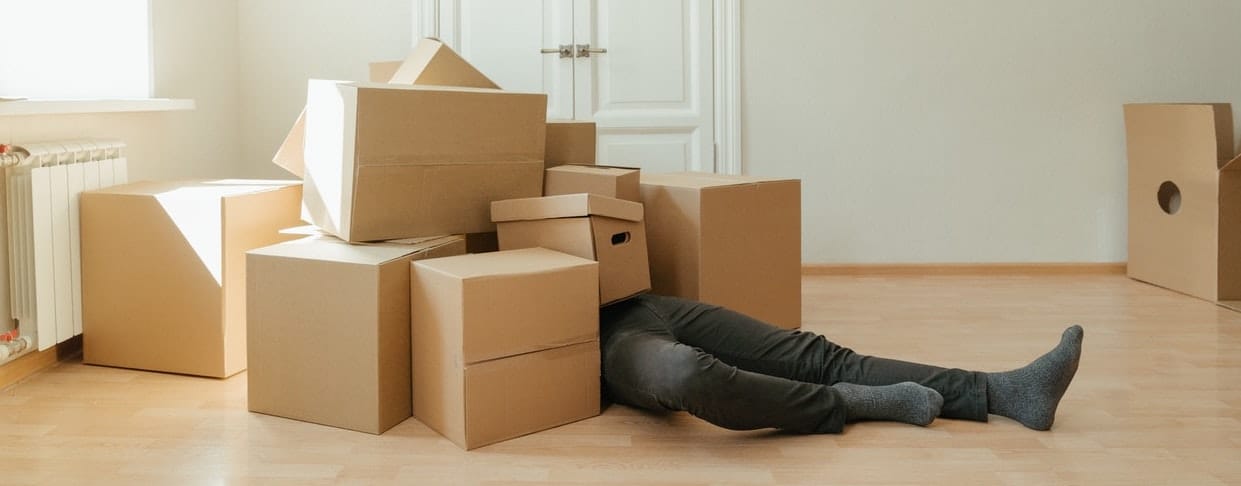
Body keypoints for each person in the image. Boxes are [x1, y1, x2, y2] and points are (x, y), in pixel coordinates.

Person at [600, 294, 1083, 433]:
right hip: (594, 338)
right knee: (687, 374)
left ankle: (1004, 391)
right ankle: (843, 404)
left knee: (815, 355)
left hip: (633, 300)